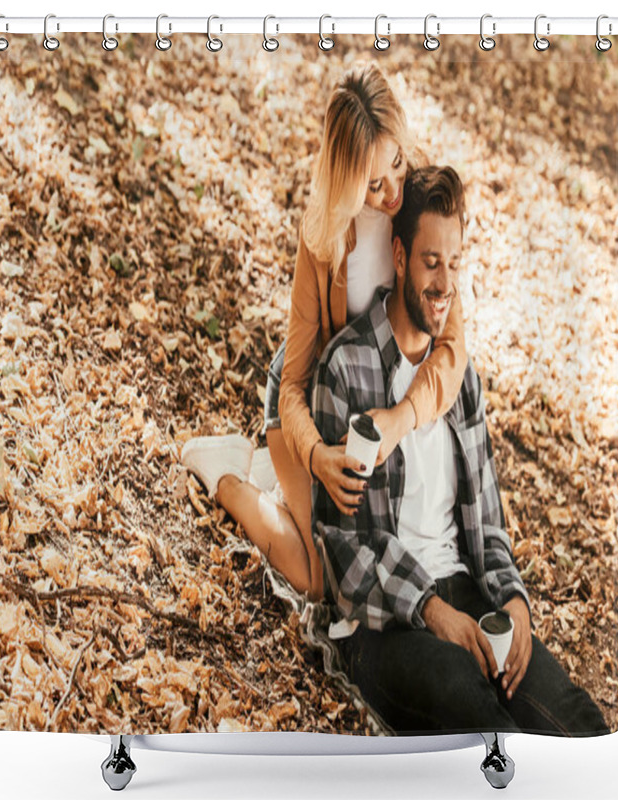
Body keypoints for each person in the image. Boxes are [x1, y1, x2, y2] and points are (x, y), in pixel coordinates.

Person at [311, 166, 609, 735]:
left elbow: (487, 527)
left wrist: (515, 604)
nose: (445, 282)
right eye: (430, 262)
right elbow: (344, 551)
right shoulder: (347, 369)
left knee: (571, 716)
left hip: (469, 595)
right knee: (481, 717)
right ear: (399, 258)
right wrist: (432, 611)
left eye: (454, 262)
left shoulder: (459, 379)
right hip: (385, 626)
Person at [180, 63, 467, 601]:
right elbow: (292, 384)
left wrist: (404, 418)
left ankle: (283, 483)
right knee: (318, 582)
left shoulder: (421, 198)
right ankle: (227, 475)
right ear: (347, 181)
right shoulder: (324, 236)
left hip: (381, 413)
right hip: (309, 407)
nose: (392, 194)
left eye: (398, 166)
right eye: (373, 185)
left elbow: (452, 347)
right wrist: (315, 456)